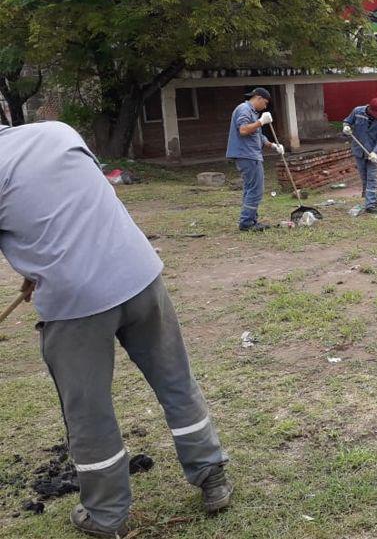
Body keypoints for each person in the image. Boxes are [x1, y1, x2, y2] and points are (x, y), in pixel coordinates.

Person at [0, 121, 232, 536]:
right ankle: (211, 473)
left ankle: (106, 515)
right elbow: (71, 197)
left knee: (88, 411)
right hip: (139, 273)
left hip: (75, 305)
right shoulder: (57, 131)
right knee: (175, 379)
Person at [225, 87, 285, 232]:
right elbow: (244, 130)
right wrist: (260, 122)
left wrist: (273, 145)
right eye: (264, 103)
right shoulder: (244, 109)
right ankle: (247, 223)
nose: (265, 107)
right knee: (256, 190)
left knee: (250, 189)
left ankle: (250, 219)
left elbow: (257, 135)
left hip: (249, 154)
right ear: (257, 98)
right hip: (247, 155)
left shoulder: (252, 112)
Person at [342, 98, 377, 214]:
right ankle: (373, 200)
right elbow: (347, 121)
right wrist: (346, 127)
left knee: (372, 178)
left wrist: (376, 152)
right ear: (369, 108)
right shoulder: (358, 112)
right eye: (376, 113)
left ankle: (371, 205)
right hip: (359, 150)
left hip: (372, 152)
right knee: (365, 179)